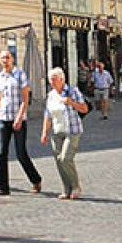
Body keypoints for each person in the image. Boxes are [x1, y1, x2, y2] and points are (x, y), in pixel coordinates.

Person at [0, 50, 44, 196]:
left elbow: (25, 99)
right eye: (2, 58)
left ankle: (35, 179)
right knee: (1, 153)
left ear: (12, 59)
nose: (5, 60)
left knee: (21, 153)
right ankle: (2, 187)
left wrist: (19, 117)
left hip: (18, 119)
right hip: (3, 118)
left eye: (7, 57)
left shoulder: (20, 74)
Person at [38, 66, 90, 199]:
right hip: (56, 131)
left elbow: (84, 108)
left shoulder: (72, 91)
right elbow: (48, 115)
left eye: (54, 79)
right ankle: (67, 188)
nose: (52, 82)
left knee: (66, 158)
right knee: (58, 161)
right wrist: (44, 132)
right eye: (50, 80)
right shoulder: (51, 95)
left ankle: (76, 186)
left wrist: (72, 103)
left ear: (62, 79)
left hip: (71, 130)